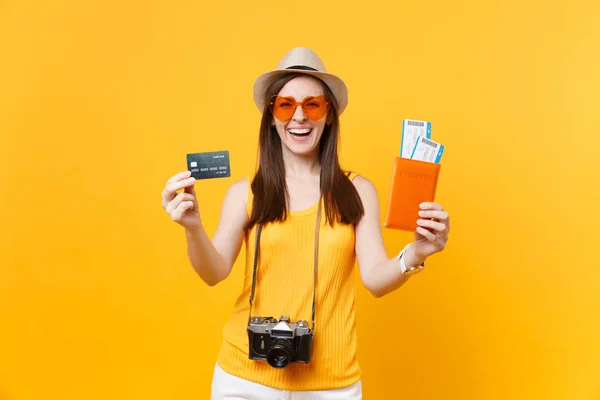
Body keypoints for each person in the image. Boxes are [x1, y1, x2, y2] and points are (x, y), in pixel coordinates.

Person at [160, 47, 450, 399]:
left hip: (331, 384)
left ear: (329, 115)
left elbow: (375, 279)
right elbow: (213, 271)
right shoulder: (246, 193)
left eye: (312, 105)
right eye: (285, 105)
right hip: (245, 378)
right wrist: (192, 227)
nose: (299, 117)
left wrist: (417, 252)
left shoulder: (357, 191)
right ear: (271, 116)